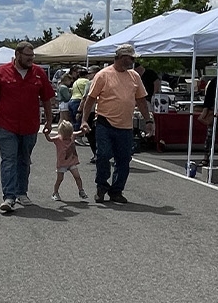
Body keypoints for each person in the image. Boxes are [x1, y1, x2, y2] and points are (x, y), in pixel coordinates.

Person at [0, 42, 56, 212]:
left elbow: (46, 98)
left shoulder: (38, 73)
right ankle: (9, 197)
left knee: (24, 160)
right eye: (28, 56)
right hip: (6, 125)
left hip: (30, 126)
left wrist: (49, 121)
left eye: (33, 57)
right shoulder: (0, 72)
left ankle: (22, 192)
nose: (31, 60)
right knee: (9, 159)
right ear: (17, 55)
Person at [80, 44, 152, 203]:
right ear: (121, 57)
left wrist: (148, 120)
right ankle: (101, 187)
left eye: (133, 58)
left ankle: (116, 191)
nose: (133, 61)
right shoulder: (103, 75)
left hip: (126, 125)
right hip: (105, 122)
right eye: (131, 58)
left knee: (124, 159)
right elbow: (90, 99)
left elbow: (141, 100)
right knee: (103, 155)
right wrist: (84, 120)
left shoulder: (134, 76)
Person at [44, 120, 88, 202]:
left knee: (77, 176)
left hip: (72, 161)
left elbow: (80, 133)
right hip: (62, 163)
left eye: (69, 135)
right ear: (61, 133)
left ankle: (81, 190)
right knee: (60, 179)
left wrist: (83, 130)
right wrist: (46, 134)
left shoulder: (72, 136)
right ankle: (55, 192)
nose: (68, 137)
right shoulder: (58, 139)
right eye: (66, 136)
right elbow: (49, 139)